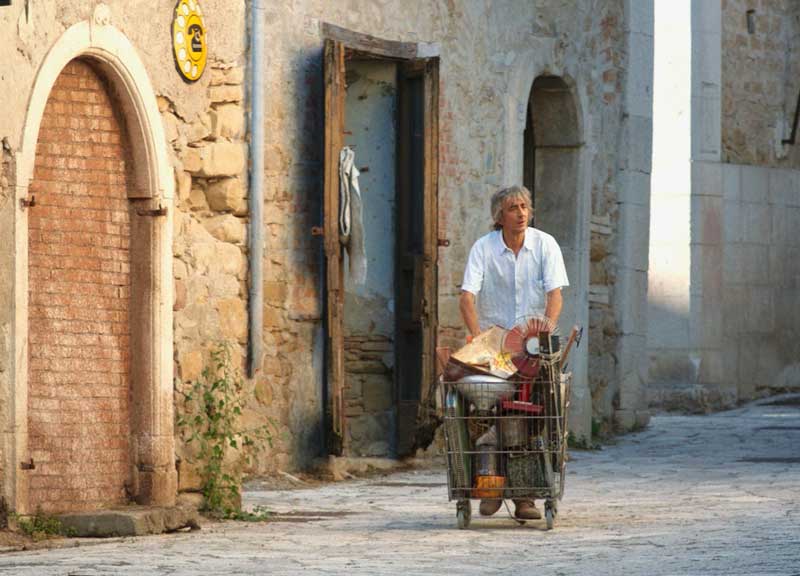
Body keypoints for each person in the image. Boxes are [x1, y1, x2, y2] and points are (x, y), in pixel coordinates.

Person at [459, 184, 569, 520]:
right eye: (512, 208)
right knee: (487, 413)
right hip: (496, 343)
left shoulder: (544, 244)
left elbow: (555, 294)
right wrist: (478, 338)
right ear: (499, 216)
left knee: (535, 414)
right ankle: (490, 486)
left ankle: (525, 497)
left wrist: (546, 330)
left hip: (533, 343)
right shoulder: (484, 248)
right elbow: (467, 296)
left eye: (524, 206)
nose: (521, 213)